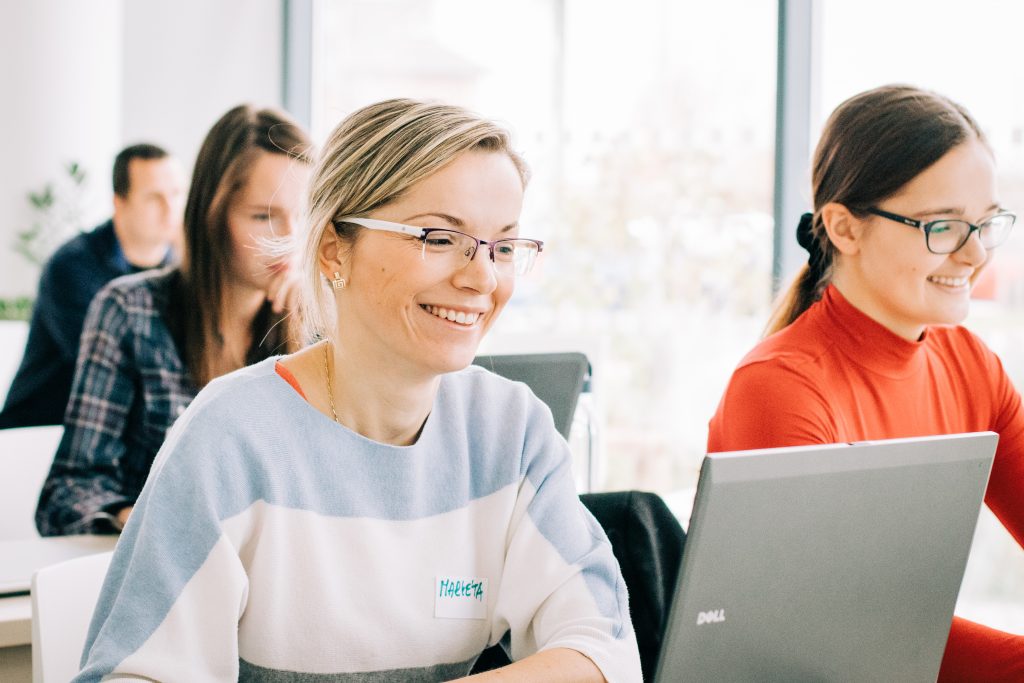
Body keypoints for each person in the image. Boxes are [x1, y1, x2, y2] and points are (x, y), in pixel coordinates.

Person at [73, 99, 641, 682]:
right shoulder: (229, 437)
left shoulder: (510, 430)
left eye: (503, 247)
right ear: (334, 249)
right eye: (439, 238)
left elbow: (605, 651)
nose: (482, 278)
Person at [708, 84, 1024, 681]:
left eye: (984, 224)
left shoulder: (971, 365)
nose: (976, 255)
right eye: (943, 227)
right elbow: (845, 630)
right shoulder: (780, 389)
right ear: (845, 229)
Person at [36, 105, 312, 536]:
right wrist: (156, 523)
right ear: (211, 217)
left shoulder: (318, 323)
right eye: (263, 216)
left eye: (305, 215)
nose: (290, 239)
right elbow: (68, 493)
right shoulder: (130, 310)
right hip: (161, 564)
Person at [0, 144, 185, 429]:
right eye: (153, 198)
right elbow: (115, 364)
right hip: (41, 430)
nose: (170, 209)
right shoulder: (72, 266)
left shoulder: (180, 267)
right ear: (119, 203)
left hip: (117, 428)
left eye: (176, 194)